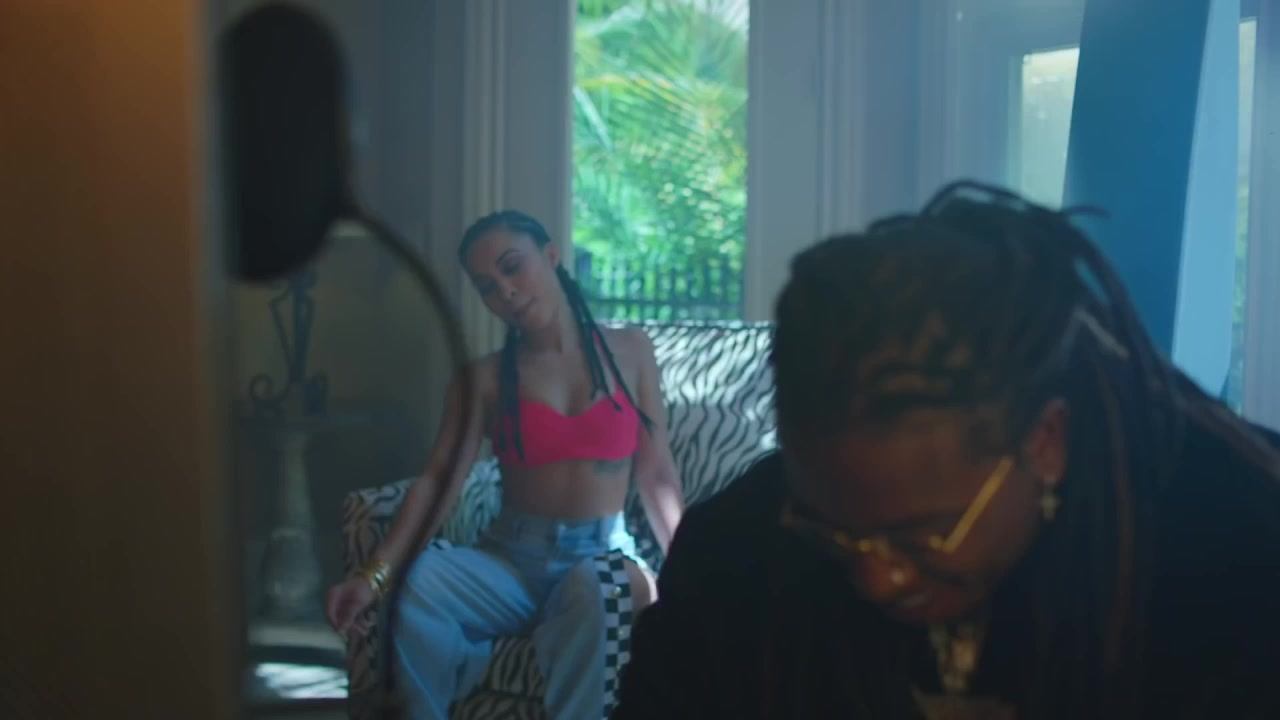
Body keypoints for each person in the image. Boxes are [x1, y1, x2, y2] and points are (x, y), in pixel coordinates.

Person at [611, 182, 1280, 720]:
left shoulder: (1236, 554)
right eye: (834, 531)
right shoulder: (738, 549)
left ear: (1045, 442)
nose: (876, 577)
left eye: (921, 536)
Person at [326, 210, 684, 720]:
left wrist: (691, 571)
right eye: (487, 287)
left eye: (513, 267)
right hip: (510, 563)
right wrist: (375, 576)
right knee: (416, 583)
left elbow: (657, 475)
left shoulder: (631, 350)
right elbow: (438, 480)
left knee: (601, 589)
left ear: (551, 256)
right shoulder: (484, 380)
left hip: (602, 556)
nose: (506, 292)